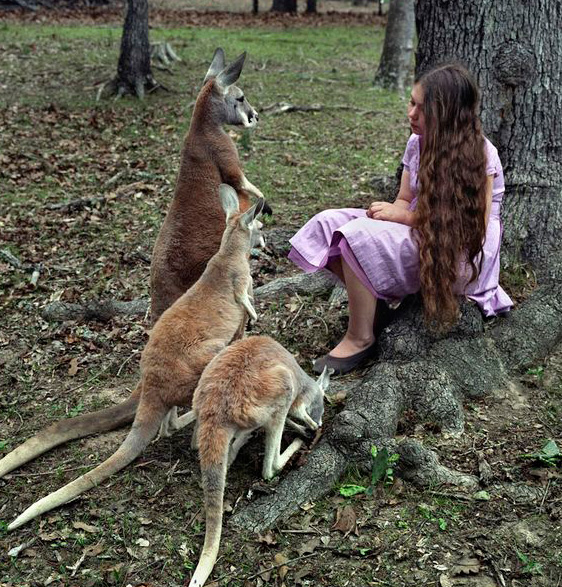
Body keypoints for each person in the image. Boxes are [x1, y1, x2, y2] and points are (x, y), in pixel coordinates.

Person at [288, 63, 513, 375]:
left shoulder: (481, 154)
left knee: (358, 237)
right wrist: (389, 218)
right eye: (411, 103)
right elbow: (405, 199)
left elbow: (468, 226)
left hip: (459, 254)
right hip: (422, 230)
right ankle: (374, 310)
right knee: (329, 224)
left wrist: (403, 218)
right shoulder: (415, 143)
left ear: (447, 115)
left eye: (423, 109)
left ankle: (360, 337)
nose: (412, 114)